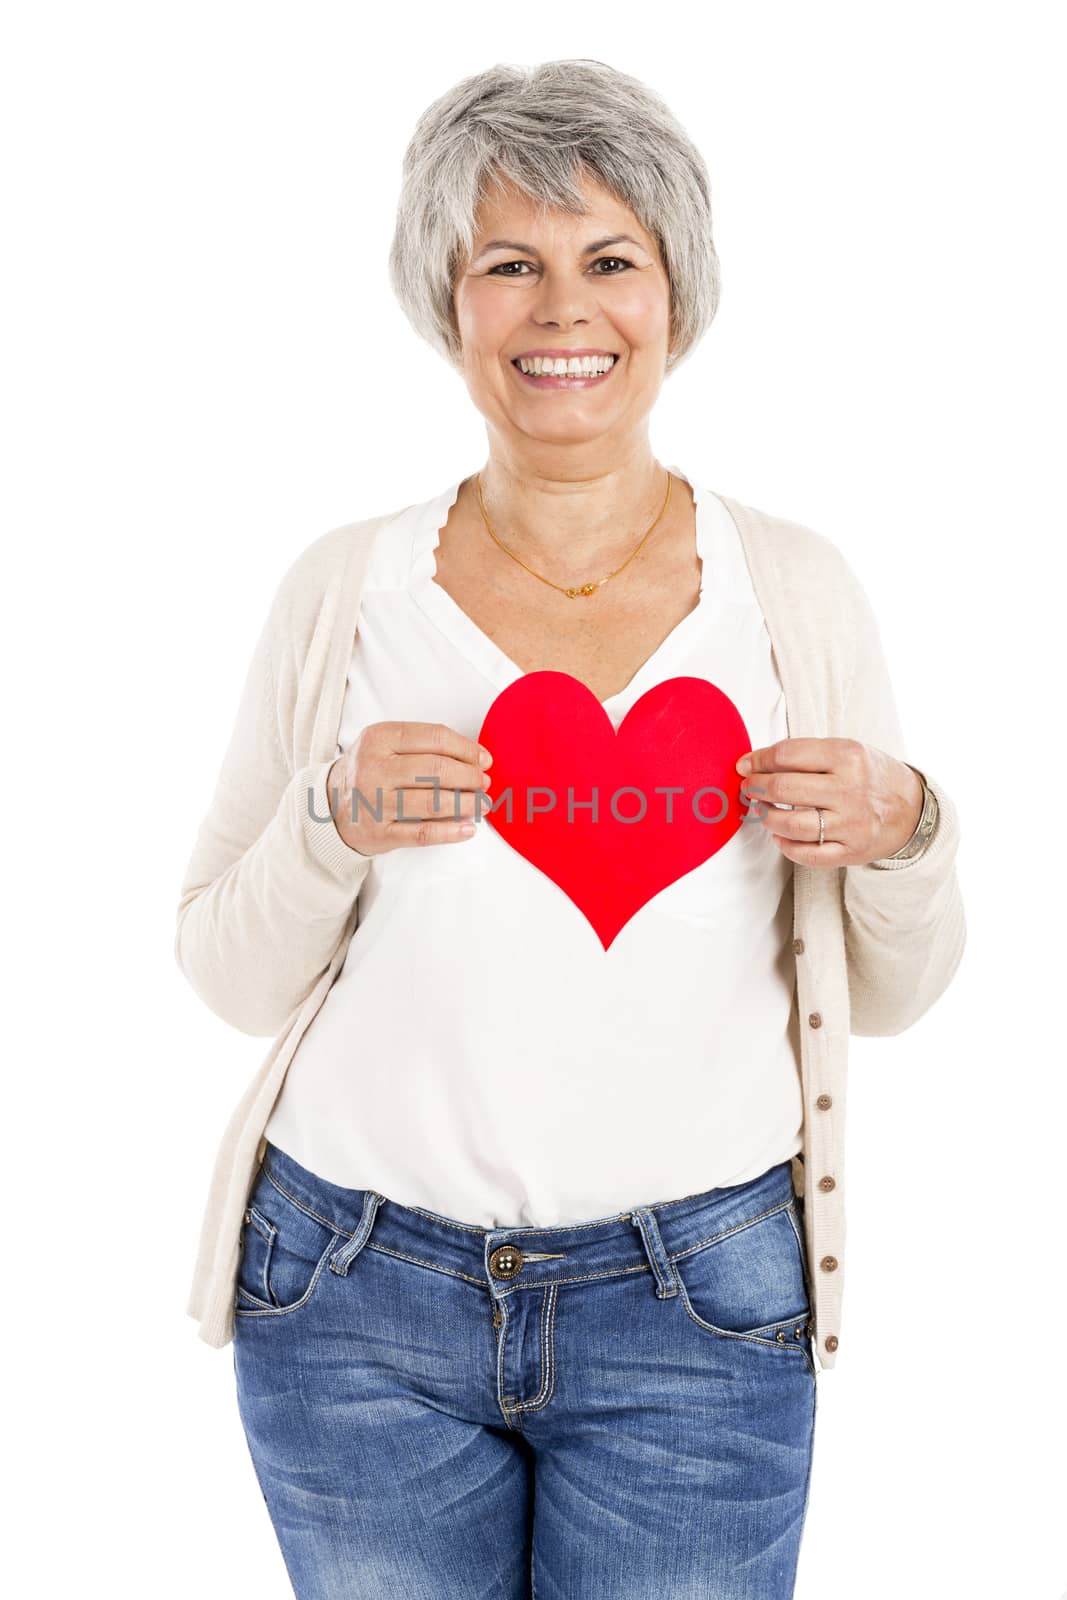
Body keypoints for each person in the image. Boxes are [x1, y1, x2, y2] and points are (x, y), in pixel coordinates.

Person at [176, 58, 965, 1599]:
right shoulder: (348, 589)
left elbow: (897, 994)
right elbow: (221, 967)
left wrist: (907, 825)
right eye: (509, 266)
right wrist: (335, 822)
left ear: (677, 293)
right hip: (353, 1302)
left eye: (611, 260)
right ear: (447, 299)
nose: (563, 312)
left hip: (701, 1309)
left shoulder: (790, 592)